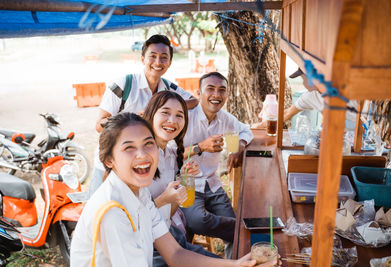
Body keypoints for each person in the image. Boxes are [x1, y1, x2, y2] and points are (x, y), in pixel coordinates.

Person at [70, 112, 279, 267]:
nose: (142, 155)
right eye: (129, 147)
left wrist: (236, 265)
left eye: (148, 144)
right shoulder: (113, 212)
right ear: (109, 160)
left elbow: (175, 254)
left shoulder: (138, 192)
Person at [90, 34, 198, 196]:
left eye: (164, 57)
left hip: (140, 161)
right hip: (112, 161)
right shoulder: (123, 84)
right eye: (152, 56)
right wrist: (132, 118)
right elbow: (99, 125)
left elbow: (194, 100)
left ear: (169, 62)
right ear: (142, 59)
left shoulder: (168, 88)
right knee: (102, 209)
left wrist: (166, 107)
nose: (157, 62)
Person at [143, 91, 220, 266]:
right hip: (146, 247)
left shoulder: (170, 152)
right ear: (151, 113)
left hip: (169, 234)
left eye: (179, 115)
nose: (172, 120)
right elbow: (131, 220)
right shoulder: (140, 157)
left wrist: (182, 179)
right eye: (165, 112)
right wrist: (164, 199)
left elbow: (168, 213)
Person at [181, 72, 254, 258]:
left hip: (212, 184)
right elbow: (171, 154)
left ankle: (234, 253)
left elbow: (246, 131)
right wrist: (201, 147)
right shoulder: (184, 118)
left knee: (237, 238)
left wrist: (239, 147)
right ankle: (239, 227)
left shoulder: (225, 118)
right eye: (210, 89)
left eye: (222, 90)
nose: (216, 95)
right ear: (199, 93)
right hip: (186, 182)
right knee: (197, 221)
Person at [253, 68, 357, 129]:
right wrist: (260, 126)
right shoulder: (310, 96)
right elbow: (287, 113)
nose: (303, 83)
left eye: (304, 78)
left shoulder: (343, 90)